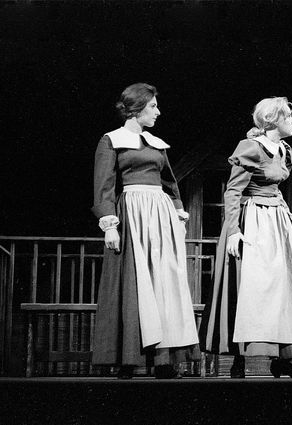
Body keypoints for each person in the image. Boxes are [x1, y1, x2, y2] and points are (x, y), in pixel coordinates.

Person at [199, 97, 292, 378]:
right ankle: (240, 361)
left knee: (282, 290)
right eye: (288, 117)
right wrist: (234, 231)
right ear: (273, 120)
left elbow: (275, 189)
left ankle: (282, 359)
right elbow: (233, 191)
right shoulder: (251, 147)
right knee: (252, 288)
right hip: (252, 221)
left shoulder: (284, 150)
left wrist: (289, 215)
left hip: (277, 223)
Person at [91, 83, 199, 379]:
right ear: (137, 109)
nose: (158, 111)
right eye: (152, 106)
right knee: (133, 283)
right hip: (132, 215)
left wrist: (178, 212)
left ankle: (165, 360)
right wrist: (109, 224)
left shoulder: (156, 143)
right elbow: (104, 187)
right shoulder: (112, 140)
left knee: (164, 284)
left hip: (160, 216)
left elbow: (170, 182)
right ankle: (128, 359)